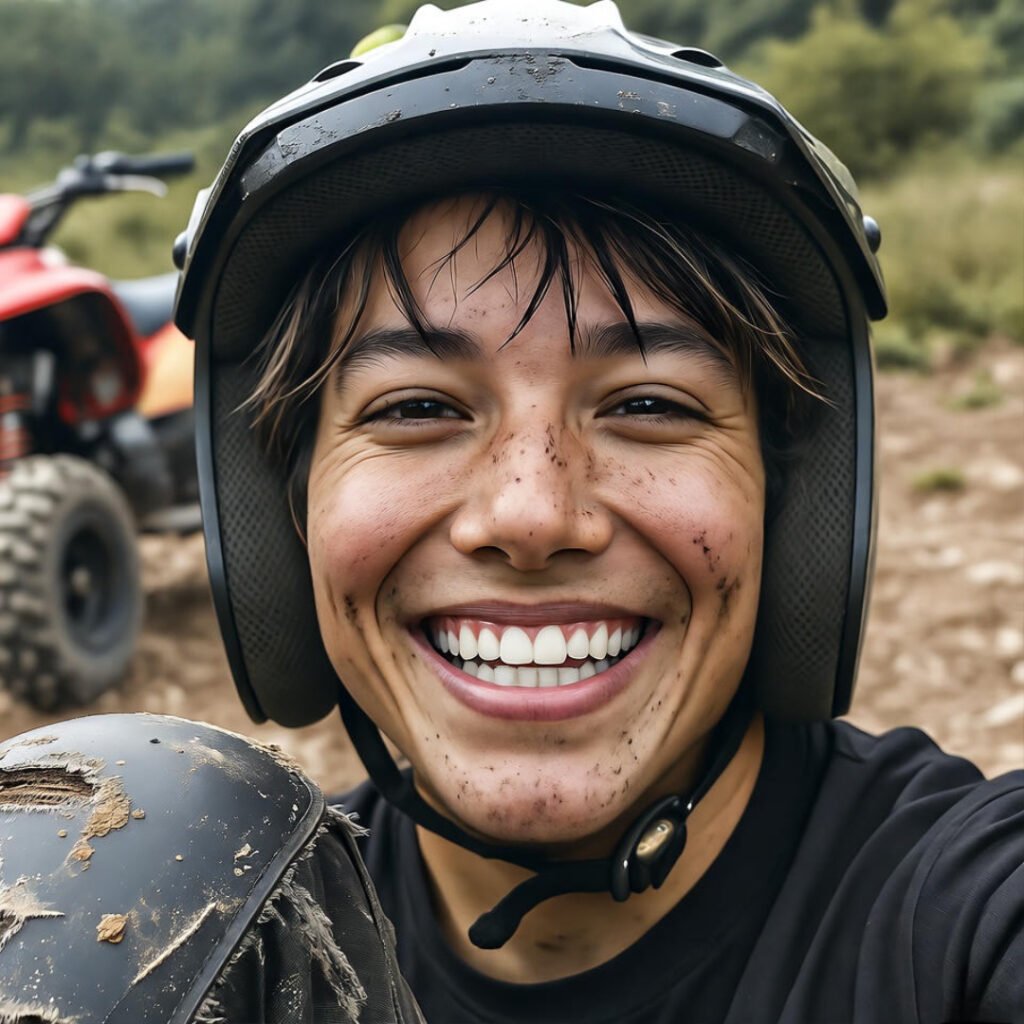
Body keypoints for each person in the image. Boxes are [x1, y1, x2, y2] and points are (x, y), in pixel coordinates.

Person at [1, 2, 1019, 1022]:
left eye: (648, 405)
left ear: (791, 499)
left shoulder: (963, 915)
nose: (530, 514)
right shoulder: (222, 943)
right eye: (415, 409)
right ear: (282, 511)